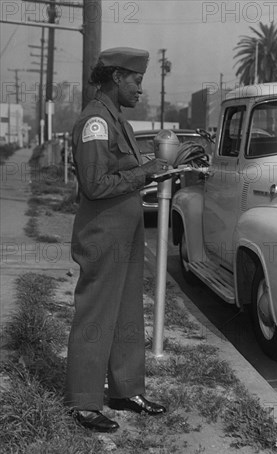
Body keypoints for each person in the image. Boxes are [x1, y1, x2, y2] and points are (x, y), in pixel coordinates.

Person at [66, 47, 169, 433]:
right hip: (103, 233)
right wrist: (144, 173)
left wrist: (154, 170)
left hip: (124, 231)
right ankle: (83, 402)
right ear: (115, 78)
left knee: (126, 312)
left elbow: (123, 172)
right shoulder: (96, 121)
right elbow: (94, 185)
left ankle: (125, 390)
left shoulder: (118, 121)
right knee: (96, 315)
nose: (140, 90)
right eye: (136, 81)